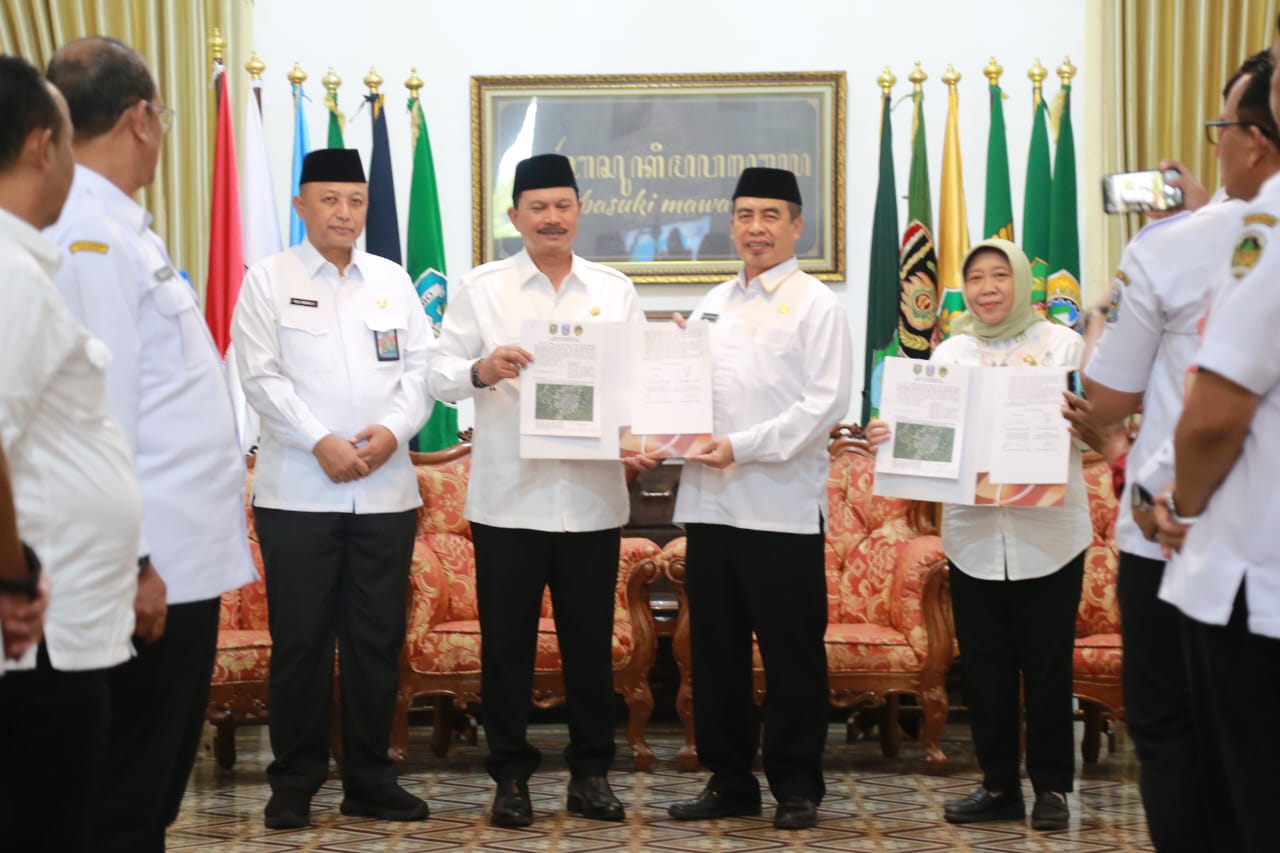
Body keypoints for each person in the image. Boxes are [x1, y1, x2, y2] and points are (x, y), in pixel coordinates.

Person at [42, 37, 259, 851]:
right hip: (147, 569)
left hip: (171, 560)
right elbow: (98, 415)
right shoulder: (89, 232)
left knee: (143, 789)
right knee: (127, 791)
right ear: (140, 119)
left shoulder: (120, 226)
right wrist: (131, 564)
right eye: (163, 118)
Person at [1073, 49, 1280, 853]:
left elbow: (1113, 397)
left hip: (1183, 532)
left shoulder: (1171, 248)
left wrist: (1101, 314)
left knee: (1173, 734)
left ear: (1257, 140)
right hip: (1245, 541)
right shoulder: (1233, 232)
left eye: (1223, 127)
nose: (1216, 142)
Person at [428, 153, 641, 827]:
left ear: (580, 210)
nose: (551, 217)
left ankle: (591, 776)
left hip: (592, 498)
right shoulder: (483, 288)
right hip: (508, 500)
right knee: (508, 648)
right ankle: (511, 779)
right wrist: (482, 368)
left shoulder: (614, 289)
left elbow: (638, 384)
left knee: (589, 647)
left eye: (563, 205)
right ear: (514, 215)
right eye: (537, 206)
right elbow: (437, 375)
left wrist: (642, 438)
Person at [232, 148, 433, 830]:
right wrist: (321, 439)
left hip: (385, 493)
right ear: (301, 206)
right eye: (328, 199)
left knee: (378, 642)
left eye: (354, 199)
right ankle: (294, 781)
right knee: (301, 643)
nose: (344, 212)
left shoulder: (392, 280)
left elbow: (421, 372)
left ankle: (372, 778)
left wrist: (391, 431)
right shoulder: (268, 278)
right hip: (298, 492)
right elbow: (260, 376)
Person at [868, 239, 1089, 832]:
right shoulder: (951, 351)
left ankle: (1052, 790)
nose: (988, 288)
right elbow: (928, 439)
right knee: (986, 669)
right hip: (973, 538)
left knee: (1046, 669)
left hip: (1050, 538)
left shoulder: (1061, 345)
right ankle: (997, 786)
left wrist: (1074, 422)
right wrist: (893, 434)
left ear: (1020, 281)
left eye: (1000, 276)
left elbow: (1093, 433)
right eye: (977, 278)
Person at [664, 167, 853, 831]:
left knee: (791, 654)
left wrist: (740, 445)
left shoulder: (816, 305)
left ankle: (798, 784)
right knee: (714, 654)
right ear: (731, 223)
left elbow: (823, 405)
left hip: (780, 509)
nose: (755, 227)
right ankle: (729, 779)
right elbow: (687, 402)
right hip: (712, 508)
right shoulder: (713, 303)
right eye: (744, 214)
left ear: (797, 225)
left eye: (770, 215)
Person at [0, 54, 142, 853]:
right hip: (41, 624)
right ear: (40, 147)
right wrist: (13, 575)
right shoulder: (12, 275)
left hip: (58, 617)